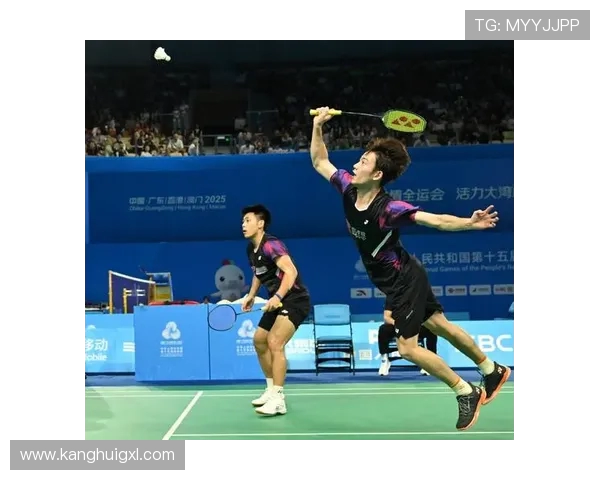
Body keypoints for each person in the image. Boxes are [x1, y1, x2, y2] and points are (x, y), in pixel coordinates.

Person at [310, 107, 511, 431]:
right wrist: (318, 125)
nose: (355, 164)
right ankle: (491, 369)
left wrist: (469, 223)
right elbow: (320, 161)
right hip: (397, 278)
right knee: (440, 325)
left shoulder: (389, 208)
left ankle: (465, 390)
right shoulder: (347, 187)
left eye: (363, 161)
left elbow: (436, 220)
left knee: (407, 348)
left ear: (377, 174)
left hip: (403, 279)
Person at [240, 204, 311, 416]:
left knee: (275, 342)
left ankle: (279, 399)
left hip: (295, 299)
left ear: (260, 224)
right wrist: (251, 295)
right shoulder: (251, 249)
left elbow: (291, 271)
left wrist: (278, 296)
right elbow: (258, 272)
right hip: (277, 300)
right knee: (259, 340)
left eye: (248, 220)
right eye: (243, 221)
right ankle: (271, 390)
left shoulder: (272, 244)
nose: (243, 225)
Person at [378, 306, 438, 376]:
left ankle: (430, 362)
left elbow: (427, 315)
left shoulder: (418, 300)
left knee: (431, 329)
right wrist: (398, 324)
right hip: (398, 326)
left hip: (416, 326)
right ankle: (385, 359)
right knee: (383, 329)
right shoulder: (392, 300)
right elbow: (387, 318)